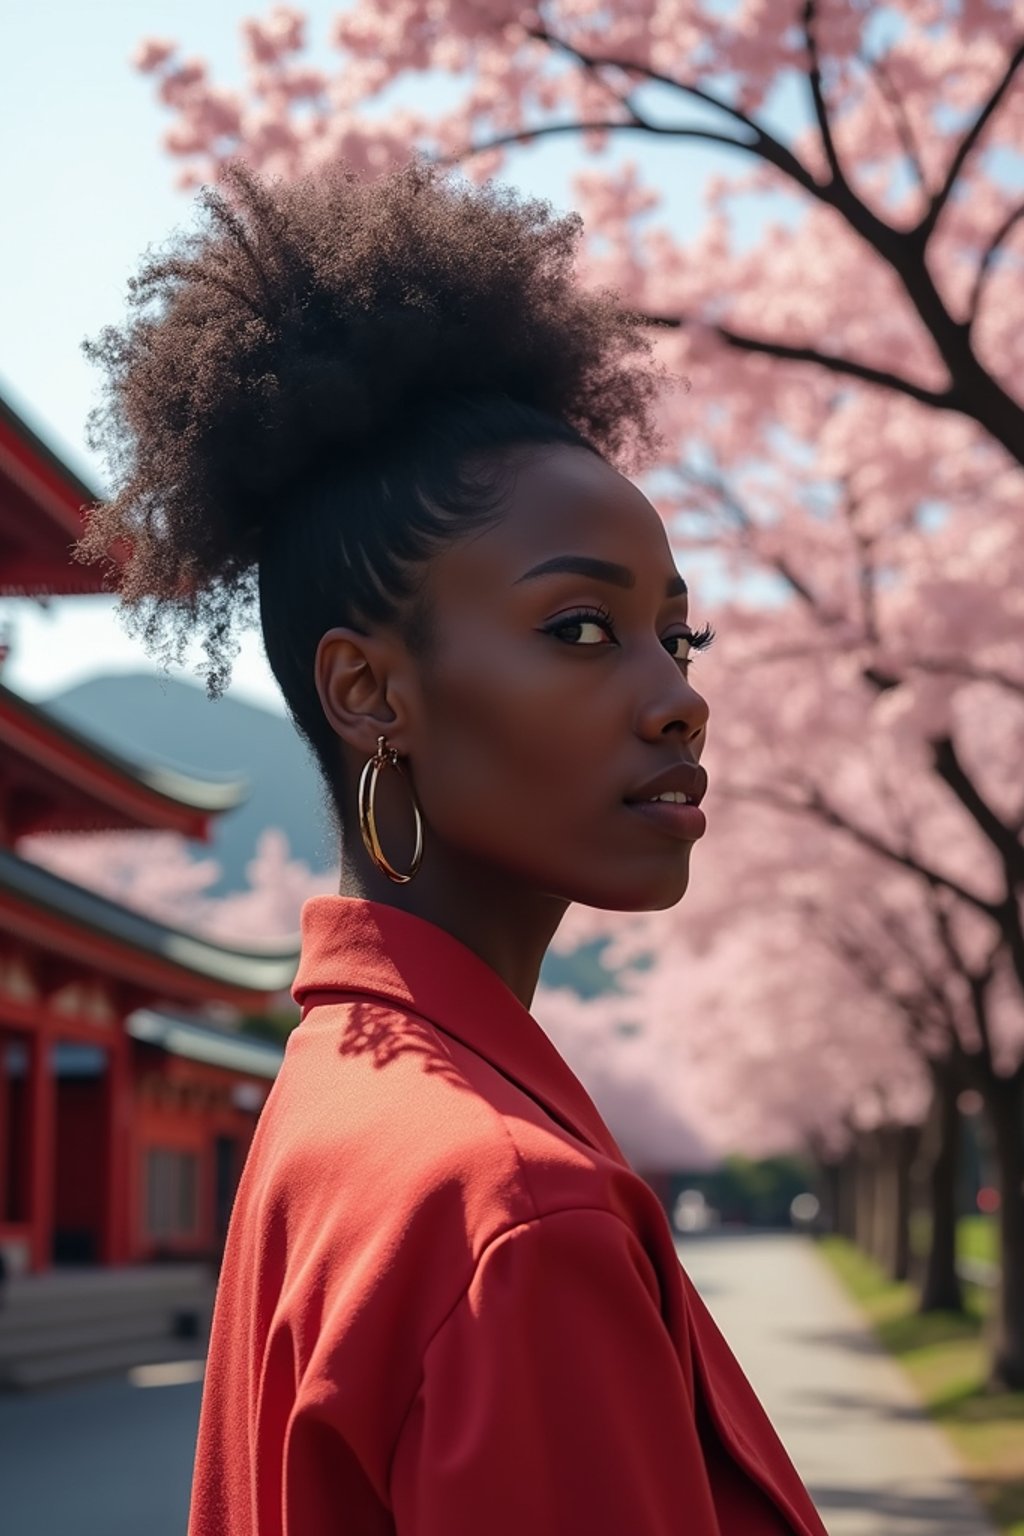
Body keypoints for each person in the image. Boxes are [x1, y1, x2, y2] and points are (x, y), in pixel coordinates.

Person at [76, 159, 829, 1536]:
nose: (678, 693)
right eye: (583, 630)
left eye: (681, 631)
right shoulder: (510, 1214)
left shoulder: (343, 1101)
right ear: (372, 692)